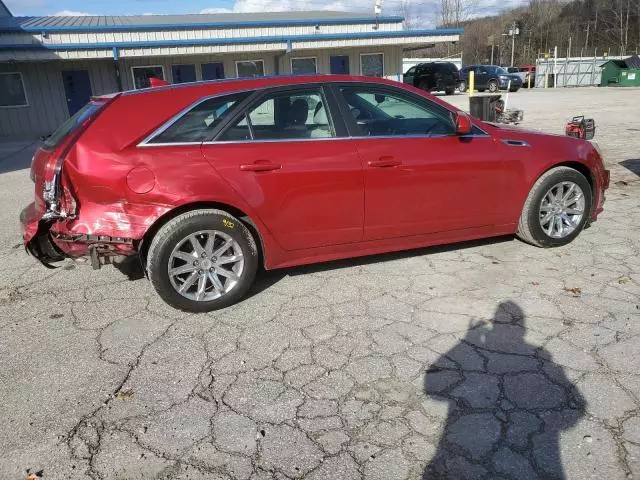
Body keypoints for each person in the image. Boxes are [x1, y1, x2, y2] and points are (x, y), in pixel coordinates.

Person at [423, 301, 585, 479]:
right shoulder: (544, 356)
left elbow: (432, 391)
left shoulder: (542, 356)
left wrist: (469, 338)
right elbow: (574, 415)